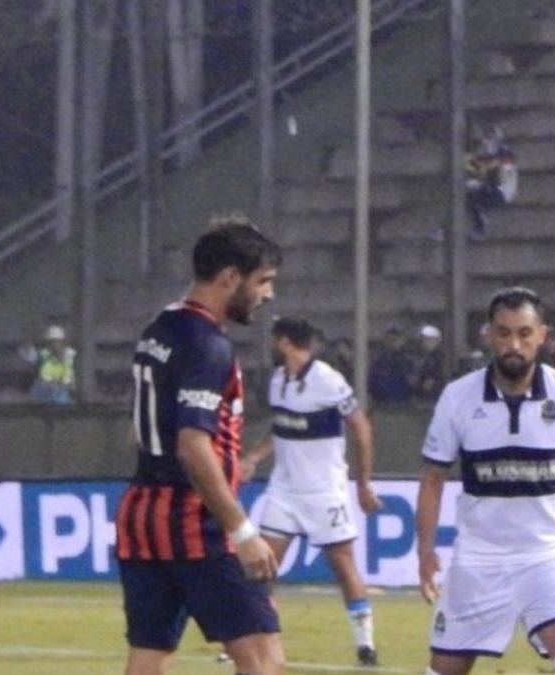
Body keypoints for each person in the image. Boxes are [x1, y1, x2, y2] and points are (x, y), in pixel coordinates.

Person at [415, 287, 555, 675]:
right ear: (488, 335)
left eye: (524, 333)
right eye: (503, 333)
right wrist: (425, 549)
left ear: (541, 336)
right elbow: (433, 478)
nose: (513, 343)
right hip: (479, 560)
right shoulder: (458, 398)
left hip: (549, 557)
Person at [114, 218, 284, 675]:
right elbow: (193, 445)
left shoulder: (160, 327)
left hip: (140, 515)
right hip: (193, 519)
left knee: (149, 655)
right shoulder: (208, 344)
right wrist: (243, 533)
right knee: (264, 658)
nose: (268, 295)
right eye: (263, 281)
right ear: (230, 277)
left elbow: (139, 428)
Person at [239, 317, 384, 667]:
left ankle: (365, 645)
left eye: (275, 341)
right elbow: (282, 426)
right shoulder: (277, 381)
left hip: (324, 492)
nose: (271, 347)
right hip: (284, 492)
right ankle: (258, 640)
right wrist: (254, 457)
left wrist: (363, 483)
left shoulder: (327, 380)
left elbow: (361, 429)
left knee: (343, 566)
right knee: (261, 569)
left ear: (287, 342)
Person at [464, 125, 517, 240]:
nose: (486, 142)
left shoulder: (505, 152)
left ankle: (481, 227)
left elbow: (496, 170)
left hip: (502, 191)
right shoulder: (487, 153)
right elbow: (476, 166)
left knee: (474, 195)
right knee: (468, 197)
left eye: (490, 138)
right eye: (486, 138)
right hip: (493, 187)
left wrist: (477, 169)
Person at [20, 324, 77, 404]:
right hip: (40, 399)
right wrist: (28, 338)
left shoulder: (69, 357)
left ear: (62, 343)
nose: (55, 346)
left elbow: (72, 385)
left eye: (57, 342)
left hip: (61, 402)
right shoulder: (41, 356)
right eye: (52, 342)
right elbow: (28, 354)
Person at [369, 326, 416, 402]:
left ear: (402, 341)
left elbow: (412, 380)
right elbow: (372, 379)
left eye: (395, 340)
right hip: (381, 400)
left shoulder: (407, 360)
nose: (392, 343)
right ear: (385, 341)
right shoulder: (379, 359)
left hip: (402, 400)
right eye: (389, 340)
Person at [414, 324, 448, 401]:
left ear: (437, 340)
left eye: (428, 339)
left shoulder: (438, 357)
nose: (425, 343)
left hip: (434, 398)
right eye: (423, 340)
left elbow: (429, 384)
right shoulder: (427, 356)